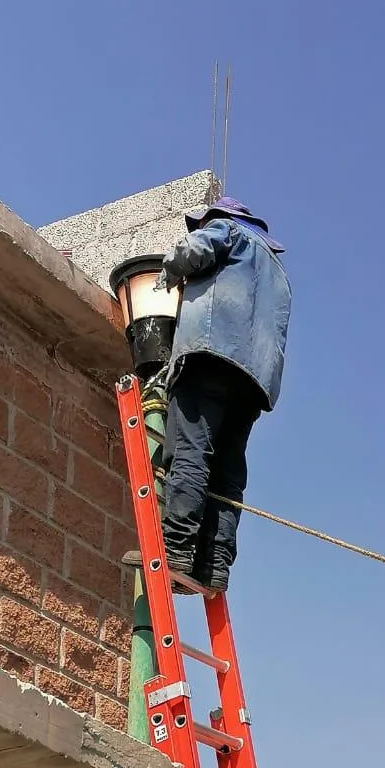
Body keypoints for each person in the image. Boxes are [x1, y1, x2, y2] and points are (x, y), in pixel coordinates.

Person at [124, 196, 291, 593]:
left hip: (211, 357)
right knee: (228, 470)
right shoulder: (279, 274)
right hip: (254, 383)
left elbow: (192, 251)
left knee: (190, 452)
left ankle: (176, 551)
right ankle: (215, 566)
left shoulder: (227, 231)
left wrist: (169, 272)